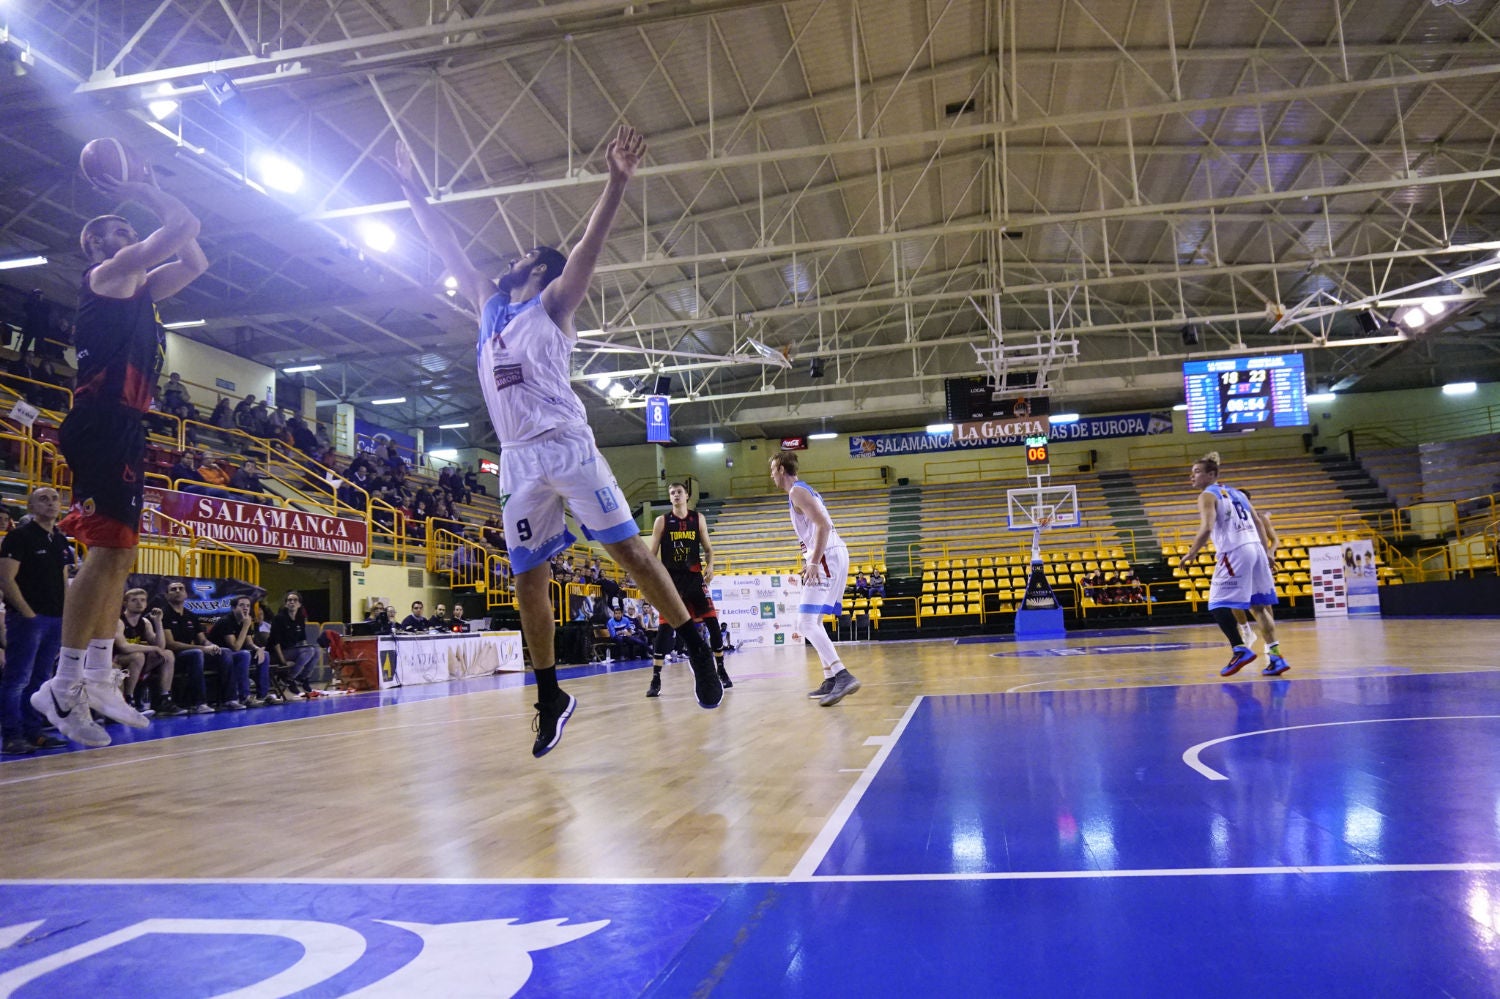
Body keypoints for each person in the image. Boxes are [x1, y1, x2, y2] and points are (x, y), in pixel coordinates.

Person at [388, 124, 722, 758]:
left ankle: (695, 642)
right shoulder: (488, 308)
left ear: (538, 268)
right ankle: (550, 696)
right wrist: (411, 190)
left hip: (566, 443)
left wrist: (617, 182)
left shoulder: (554, 302)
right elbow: (447, 247)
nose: (507, 258)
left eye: (522, 255)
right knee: (528, 584)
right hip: (517, 461)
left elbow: (588, 250)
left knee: (630, 554)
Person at [30, 165, 209, 747]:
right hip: (100, 417)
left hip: (126, 422)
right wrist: (143, 188)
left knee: (121, 553)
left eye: (125, 227)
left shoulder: (143, 291)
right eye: (109, 229)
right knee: (106, 549)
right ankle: (64, 681)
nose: (121, 233)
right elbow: (184, 222)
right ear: (95, 247)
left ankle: (99, 673)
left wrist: (154, 201)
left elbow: (194, 259)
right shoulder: (108, 275)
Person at [1179, 451, 1290, 677]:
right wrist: (1266, 552)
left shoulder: (1207, 495)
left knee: (1217, 603)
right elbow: (1257, 521)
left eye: (1197, 472)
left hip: (1235, 551)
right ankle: (1276, 657)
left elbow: (1207, 528)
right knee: (1258, 607)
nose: (1192, 477)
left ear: (1212, 474)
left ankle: (1240, 649)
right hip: (1256, 549)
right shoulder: (1238, 493)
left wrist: (1191, 553)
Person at [768, 452, 860, 706]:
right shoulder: (800, 492)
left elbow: (823, 525)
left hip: (827, 556)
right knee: (815, 620)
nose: (771, 475)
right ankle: (830, 678)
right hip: (832, 554)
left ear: (782, 469)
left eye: (772, 469)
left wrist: (812, 561)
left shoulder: (797, 491)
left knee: (805, 623)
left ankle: (842, 675)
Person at [0, 488, 77, 754]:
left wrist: (66, 615)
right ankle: (11, 735)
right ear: (30, 505)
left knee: (41, 680)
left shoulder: (60, 540)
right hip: (27, 620)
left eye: (55, 498)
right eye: (43, 499)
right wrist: (27, 614)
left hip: (55, 620)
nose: (51, 503)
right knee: (17, 679)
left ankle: (34, 733)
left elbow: (64, 581)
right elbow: (6, 578)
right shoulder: (18, 536)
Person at [645, 481, 732, 697]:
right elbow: (650, 554)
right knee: (665, 629)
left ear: (687, 496)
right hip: (672, 581)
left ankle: (721, 670)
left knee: (712, 622)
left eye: (679, 492)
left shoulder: (697, 518)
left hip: (694, 577)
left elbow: (709, 550)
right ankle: (655, 678)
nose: (675, 495)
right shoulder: (662, 521)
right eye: (672, 493)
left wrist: (710, 565)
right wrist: (655, 579)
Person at [155, 581, 222, 714]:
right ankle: (199, 703)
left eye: (181, 589)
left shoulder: (191, 615)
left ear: (186, 594)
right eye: (173, 589)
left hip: (192, 655)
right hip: (173, 657)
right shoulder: (164, 614)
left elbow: (202, 639)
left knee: (225, 653)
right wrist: (203, 649)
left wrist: (211, 645)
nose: (178, 591)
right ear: (167, 595)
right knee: (196, 653)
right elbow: (170, 644)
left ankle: (231, 698)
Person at [114, 589, 182, 716]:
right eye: (134, 600)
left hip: (136, 664)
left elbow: (160, 646)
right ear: (125, 603)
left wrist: (158, 622)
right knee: (138, 656)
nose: (139, 603)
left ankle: (164, 699)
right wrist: (153, 648)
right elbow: (123, 647)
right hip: (116, 661)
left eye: (142, 600)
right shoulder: (119, 621)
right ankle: (129, 700)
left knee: (167, 654)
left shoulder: (145, 623)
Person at [206, 596, 262, 710]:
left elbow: (249, 643)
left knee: (264, 654)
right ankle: (244, 696)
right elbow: (235, 647)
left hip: (233, 655)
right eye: (241, 605)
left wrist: (257, 648)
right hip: (217, 656)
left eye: (247, 606)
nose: (245, 608)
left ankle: (263, 695)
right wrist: (246, 626)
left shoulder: (244, 620)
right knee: (244, 654)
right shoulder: (226, 621)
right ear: (233, 608)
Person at [267, 591, 317, 699]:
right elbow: (275, 643)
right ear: (286, 604)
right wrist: (283, 662)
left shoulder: (300, 619)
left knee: (316, 650)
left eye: (295, 600)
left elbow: (302, 640)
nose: (292, 602)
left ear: (299, 604)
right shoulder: (279, 618)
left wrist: (306, 654)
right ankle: (289, 679)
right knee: (310, 651)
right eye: (289, 600)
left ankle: (303, 678)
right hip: (276, 653)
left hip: (292, 650)